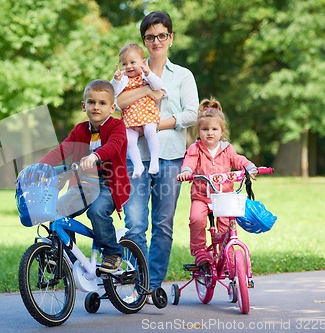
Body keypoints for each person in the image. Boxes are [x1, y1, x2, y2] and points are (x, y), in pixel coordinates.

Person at [117, 11, 199, 296]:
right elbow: (117, 102)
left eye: (161, 35)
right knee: (135, 224)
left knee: (162, 225)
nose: (156, 41)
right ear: (144, 41)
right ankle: (135, 285)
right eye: (150, 37)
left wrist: (153, 124)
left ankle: (151, 287)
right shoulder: (131, 69)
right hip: (135, 158)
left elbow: (191, 114)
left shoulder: (183, 76)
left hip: (171, 158)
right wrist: (147, 94)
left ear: (171, 38)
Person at [40, 79, 130, 273]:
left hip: (110, 185)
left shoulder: (117, 127)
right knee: (58, 209)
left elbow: (113, 146)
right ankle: (62, 255)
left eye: (102, 103)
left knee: (96, 211)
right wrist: (39, 167)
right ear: (84, 106)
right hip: (85, 185)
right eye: (91, 102)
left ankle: (113, 253)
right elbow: (63, 150)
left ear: (112, 107)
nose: (96, 107)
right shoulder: (80, 130)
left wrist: (95, 156)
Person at [177, 97, 257, 266]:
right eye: (205, 129)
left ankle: (225, 253)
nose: (210, 132)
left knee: (227, 223)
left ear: (222, 131)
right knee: (196, 219)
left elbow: (238, 160)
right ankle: (199, 252)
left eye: (214, 129)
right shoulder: (195, 149)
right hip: (201, 197)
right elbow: (189, 162)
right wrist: (186, 171)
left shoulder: (227, 149)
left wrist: (249, 166)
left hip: (224, 196)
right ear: (198, 131)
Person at [111, 43, 164, 179]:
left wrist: (148, 73)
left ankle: (154, 161)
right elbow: (113, 94)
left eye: (132, 62)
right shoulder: (123, 79)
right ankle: (138, 165)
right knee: (128, 140)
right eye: (124, 64)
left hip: (147, 112)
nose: (128, 66)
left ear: (142, 62)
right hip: (130, 115)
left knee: (150, 131)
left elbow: (158, 86)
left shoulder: (145, 75)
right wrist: (115, 81)